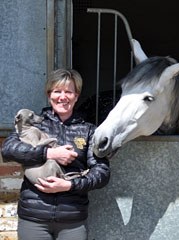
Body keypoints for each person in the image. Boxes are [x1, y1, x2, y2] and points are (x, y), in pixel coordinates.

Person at [1, 69, 110, 240]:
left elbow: (102, 173)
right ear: (49, 94)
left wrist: (69, 185)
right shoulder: (34, 124)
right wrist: (49, 153)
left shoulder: (88, 130)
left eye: (68, 92)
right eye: (57, 91)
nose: (62, 97)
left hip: (72, 220)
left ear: (76, 95)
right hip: (34, 219)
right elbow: (8, 151)